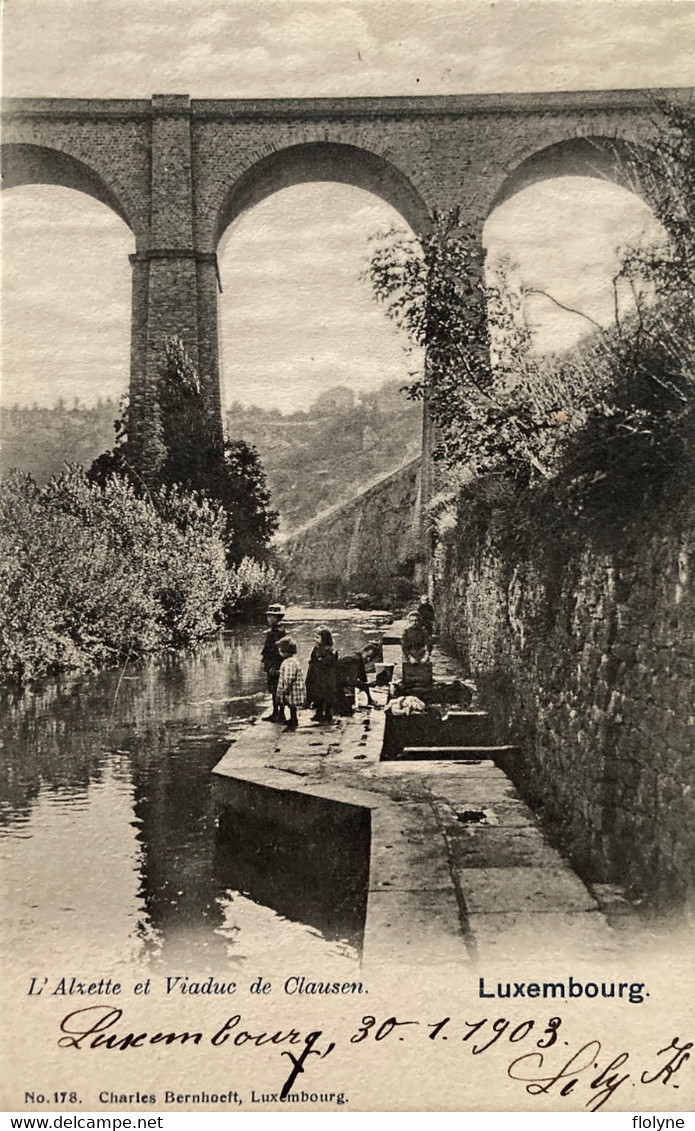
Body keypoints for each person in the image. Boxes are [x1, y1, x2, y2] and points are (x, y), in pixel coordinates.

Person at [305, 626, 339, 723]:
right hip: (316, 676)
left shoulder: (331, 651)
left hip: (326, 677)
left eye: (317, 637)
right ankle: (318, 713)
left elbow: (329, 663)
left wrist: (319, 661)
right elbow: (312, 661)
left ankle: (328, 714)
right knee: (317, 695)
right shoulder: (316, 649)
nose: (315, 640)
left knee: (327, 696)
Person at [260, 603, 287, 722]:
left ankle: (279, 713)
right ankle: (276, 712)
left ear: (277, 618)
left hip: (275, 664)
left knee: (277, 689)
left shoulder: (278, 633)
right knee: (273, 689)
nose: (268, 619)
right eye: (268, 616)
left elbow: (278, 651)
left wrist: (274, 666)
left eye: (271, 616)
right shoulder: (276, 631)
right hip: (271, 663)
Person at [337, 642, 379, 714]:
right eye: (368, 656)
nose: (368, 660)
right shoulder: (355, 660)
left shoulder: (360, 660)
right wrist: (368, 684)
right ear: (363, 652)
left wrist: (370, 700)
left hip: (340, 682)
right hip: (332, 683)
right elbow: (352, 682)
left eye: (371, 659)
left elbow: (363, 679)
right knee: (346, 712)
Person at [276, 636, 306, 732]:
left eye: (280, 651)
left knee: (291, 704)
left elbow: (289, 677)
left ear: (286, 651)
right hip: (292, 688)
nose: (279, 653)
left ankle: (294, 719)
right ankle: (293, 718)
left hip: (291, 689)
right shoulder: (291, 661)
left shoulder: (289, 662)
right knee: (291, 705)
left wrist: (285, 688)